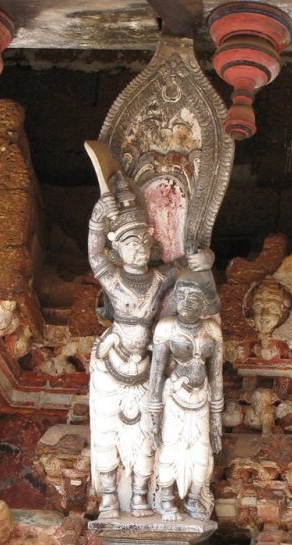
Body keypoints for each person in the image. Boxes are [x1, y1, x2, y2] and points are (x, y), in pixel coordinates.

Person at [87, 149, 213, 519]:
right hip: (112, 363)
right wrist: (97, 219)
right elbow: (95, 256)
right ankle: (110, 498)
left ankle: (140, 495)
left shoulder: (158, 279)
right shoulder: (112, 277)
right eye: (129, 244)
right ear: (117, 248)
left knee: (146, 437)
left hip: (145, 366)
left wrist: (206, 262)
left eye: (144, 243)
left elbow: (184, 265)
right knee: (107, 433)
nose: (139, 250)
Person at [148, 271, 223, 521]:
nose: (187, 302)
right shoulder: (167, 327)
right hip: (174, 397)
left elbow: (216, 375)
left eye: (194, 297)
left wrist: (216, 419)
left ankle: (193, 498)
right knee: (170, 447)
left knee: (201, 452)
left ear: (204, 303)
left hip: (202, 398)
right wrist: (153, 412)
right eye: (182, 296)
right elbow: (156, 372)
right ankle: (167, 497)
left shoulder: (211, 329)